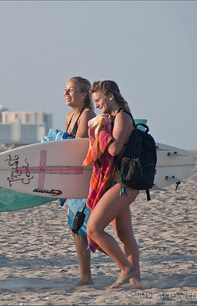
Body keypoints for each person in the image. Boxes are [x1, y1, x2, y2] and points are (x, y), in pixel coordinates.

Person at [85, 80, 141, 289]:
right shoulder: (114, 118)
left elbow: (114, 149)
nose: (97, 105)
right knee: (125, 235)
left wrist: (101, 130)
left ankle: (126, 268)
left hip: (124, 184)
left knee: (93, 228)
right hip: (118, 183)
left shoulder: (122, 117)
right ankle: (137, 283)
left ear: (110, 95)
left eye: (98, 100)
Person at [63, 76, 96, 285]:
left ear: (84, 94)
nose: (66, 93)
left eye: (71, 90)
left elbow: (77, 148)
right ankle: (85, 277)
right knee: (76, 230)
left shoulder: (88, 115)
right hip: (73, 178)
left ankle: (127, 266)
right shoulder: (69, 117)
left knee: (86, 228)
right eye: (65, 89)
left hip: (87, 179)